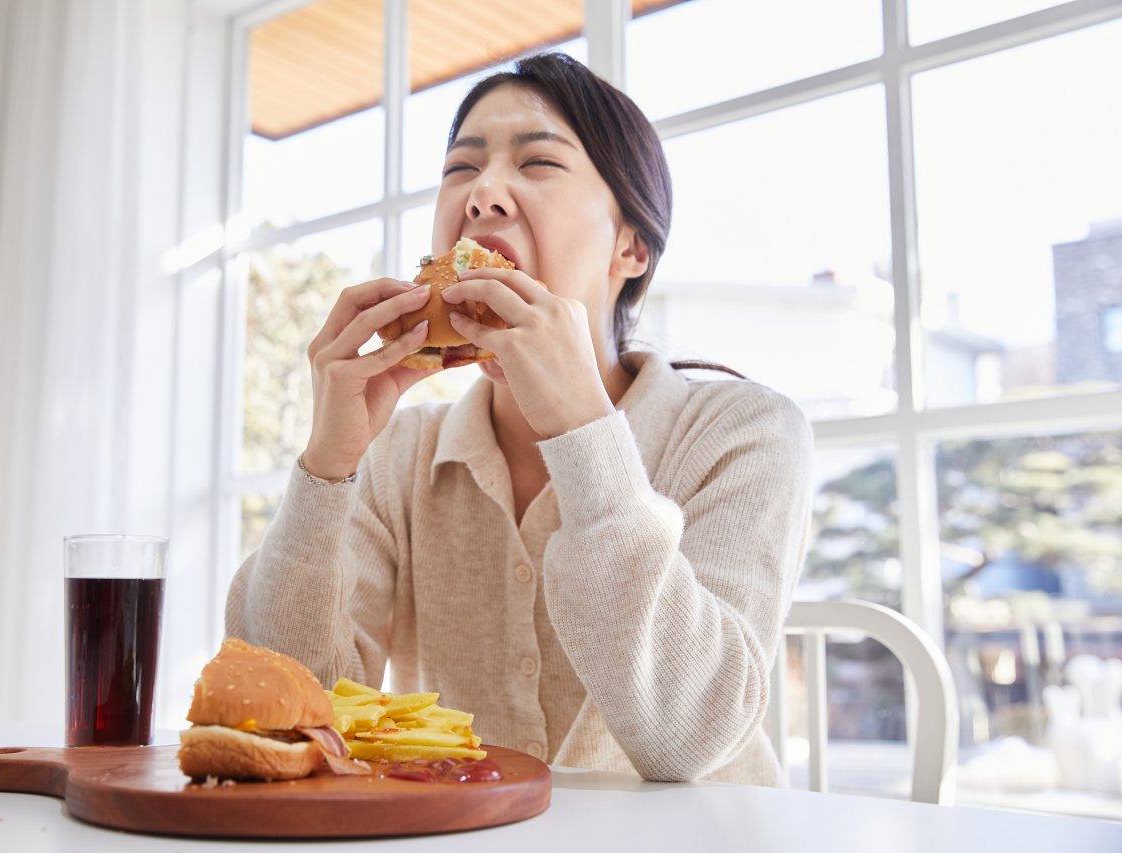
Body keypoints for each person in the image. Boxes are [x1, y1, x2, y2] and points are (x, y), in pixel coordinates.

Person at [226, 53, 812, 784]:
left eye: (537, 162)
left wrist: (581, 431)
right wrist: (326, 466)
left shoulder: (746, 432)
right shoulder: (398, 450)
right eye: (460, 169)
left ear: (631, 245)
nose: (483, 195)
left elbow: (688, 736)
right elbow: (287, 707)